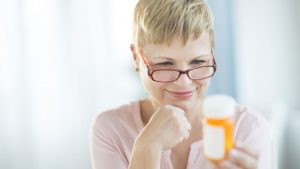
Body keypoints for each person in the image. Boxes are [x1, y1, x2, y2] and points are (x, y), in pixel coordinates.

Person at [89, 0, 272, 169]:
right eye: (164, 64)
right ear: (136, 57)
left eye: (198, 62)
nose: (184, 82)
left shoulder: (247, 129)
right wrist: (147, 147)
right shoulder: (111, 129)